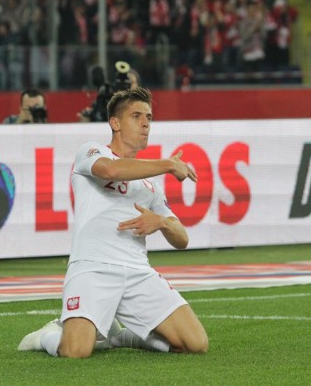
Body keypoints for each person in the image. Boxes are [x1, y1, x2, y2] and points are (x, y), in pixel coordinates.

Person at [18, 87, 209, 358]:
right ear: (115, 123)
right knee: (76, 351)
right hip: (93, 268)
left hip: (137, 272)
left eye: (149, 117)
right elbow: (112, 170)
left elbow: (182, 239)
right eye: (136, 116)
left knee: (195, 344)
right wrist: (167, 164)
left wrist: (162, 223)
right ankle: (46, 335)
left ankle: (119, 337)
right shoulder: (91, 152)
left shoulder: (150, 185)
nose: (145, 123)